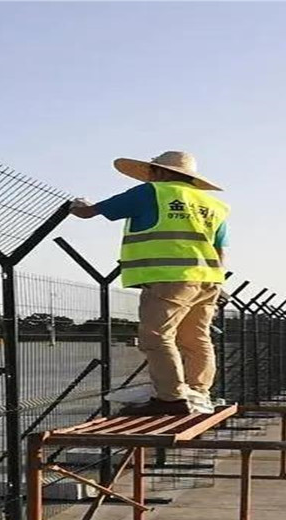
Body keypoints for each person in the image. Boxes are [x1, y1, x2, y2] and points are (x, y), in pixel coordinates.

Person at [70, 151, 229, 416]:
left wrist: (78, 206)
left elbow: (88, 212)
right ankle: (199, 393)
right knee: (196, 338)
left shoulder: (151, 192)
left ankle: (171, 399)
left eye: (151, 172)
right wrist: (218, 279)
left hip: (169, 278)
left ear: (160, 172)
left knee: (156, 336)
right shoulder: (213, 205)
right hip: (208, 279)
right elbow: (220, 249)